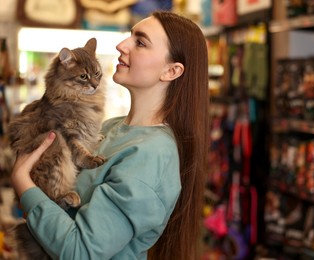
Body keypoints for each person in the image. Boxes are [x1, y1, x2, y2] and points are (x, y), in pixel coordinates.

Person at [10, 10, 209, 260]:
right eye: (129, 36)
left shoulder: (151, 154)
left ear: (171, 71)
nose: (121, 45)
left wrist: (23, 184)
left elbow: (80, 251)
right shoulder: (112, 127)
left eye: (140, 42)